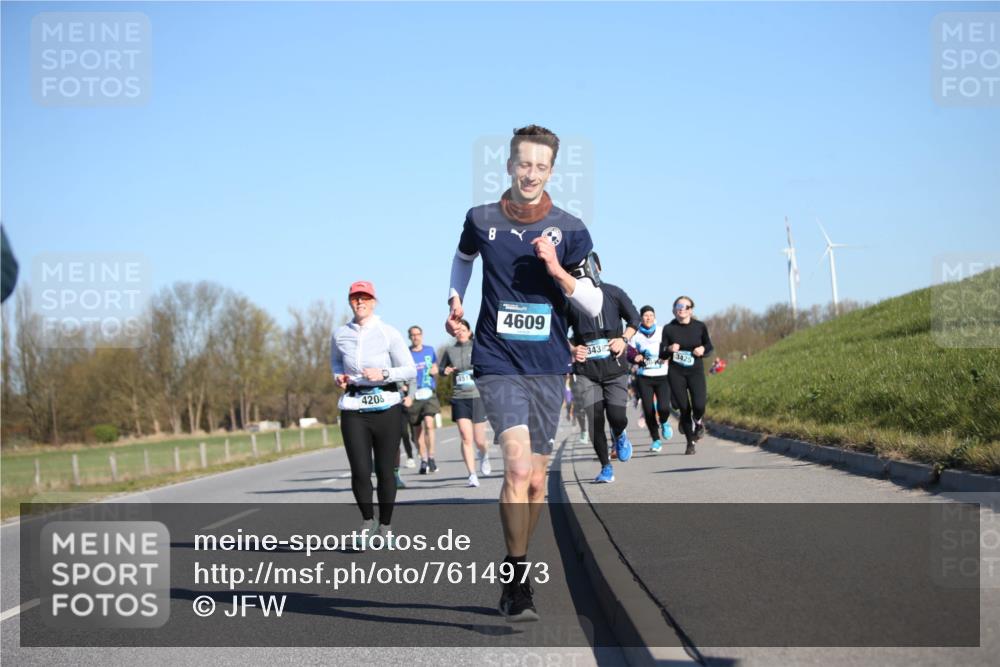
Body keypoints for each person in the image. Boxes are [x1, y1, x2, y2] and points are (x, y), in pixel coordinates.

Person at [445, 125, 603, 622]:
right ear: (509, 165)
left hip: (548, 365)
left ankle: (518, 561)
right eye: (523, 164)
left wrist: (557, 270)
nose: (530, 174)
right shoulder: (481, 218)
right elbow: (463, 258)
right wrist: (454, 299)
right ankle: (517, 582)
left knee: (536, 481)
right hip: (497, 360)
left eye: (540, 166)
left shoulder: (571, 229)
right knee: (516, 469)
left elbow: (594, 302)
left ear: (551, 171)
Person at [331, 280, 416, 546]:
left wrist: (384, 373)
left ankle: (386, 526)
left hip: (386, 406)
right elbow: (336, 361)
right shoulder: (340, 334)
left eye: (365, 297)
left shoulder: (388, 332)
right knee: (360, 470)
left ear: (374, 302)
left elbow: (410, 369)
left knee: (385, 471)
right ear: (350, 302)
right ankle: (368, 521)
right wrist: (338, 376)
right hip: (354, 408)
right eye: (355, 298)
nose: (360, 302)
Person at [566, 268, 640, 483]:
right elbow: (558, 331)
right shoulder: (570, 300)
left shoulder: (614, 293)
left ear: (596, 268)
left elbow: (634, 319)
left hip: (614, 369)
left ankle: (619, 433)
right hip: (587, 372)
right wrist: (572, 349)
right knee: (595, 419)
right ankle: (606, 467)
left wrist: (623, 340)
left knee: (617, 417)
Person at [659, 296, 714, 455]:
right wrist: (669, 349)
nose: (682, 309)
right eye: (678, 306)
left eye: (685, 306)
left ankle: (698, 422)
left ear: (691, 310)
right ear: (674, 310)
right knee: (684, 408)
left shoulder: (699, 327)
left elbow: (709, 346)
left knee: (699, 405)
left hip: (695, 371)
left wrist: (703, 350)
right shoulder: (669, 329)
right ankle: (690, 442)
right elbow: (662, 354)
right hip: (676, 372)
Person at [439, 318, 491, 487]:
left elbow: (488, 366)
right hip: (459, 397)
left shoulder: (477, 347)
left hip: (477, 397)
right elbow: (441, 369)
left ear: (469, 332)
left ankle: (484, 454)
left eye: (463, 330)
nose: (460, 332)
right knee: (465, 437)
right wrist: (445, 370)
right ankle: (472, 474)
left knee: (479, 440)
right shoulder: (450, 350)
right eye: (457, 330)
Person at [629, 305, 675, 453]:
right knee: (648, 410)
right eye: (645, 315)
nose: (648, 318)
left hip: (662, 376)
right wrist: (635, 357)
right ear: (641, 318)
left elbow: (671, 347)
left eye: (651, 315)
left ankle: (664, 421)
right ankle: (656, 440)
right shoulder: (636, 334)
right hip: (644, 377)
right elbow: (629, 352)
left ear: (654, 317)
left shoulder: (662, 331)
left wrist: (668, 353)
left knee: (663, 407)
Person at [407, 325, 440, 474]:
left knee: (429, 423)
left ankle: (431, 457)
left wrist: (435, 370)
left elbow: (435, 367)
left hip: (429, 393)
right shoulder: (406, 353)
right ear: (410, 337)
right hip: (414, 395)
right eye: (413, 335)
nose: (416, 337)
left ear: (422, 335)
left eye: (418, 334)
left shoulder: (429, 350)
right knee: (417, 431)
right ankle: (423, 459)